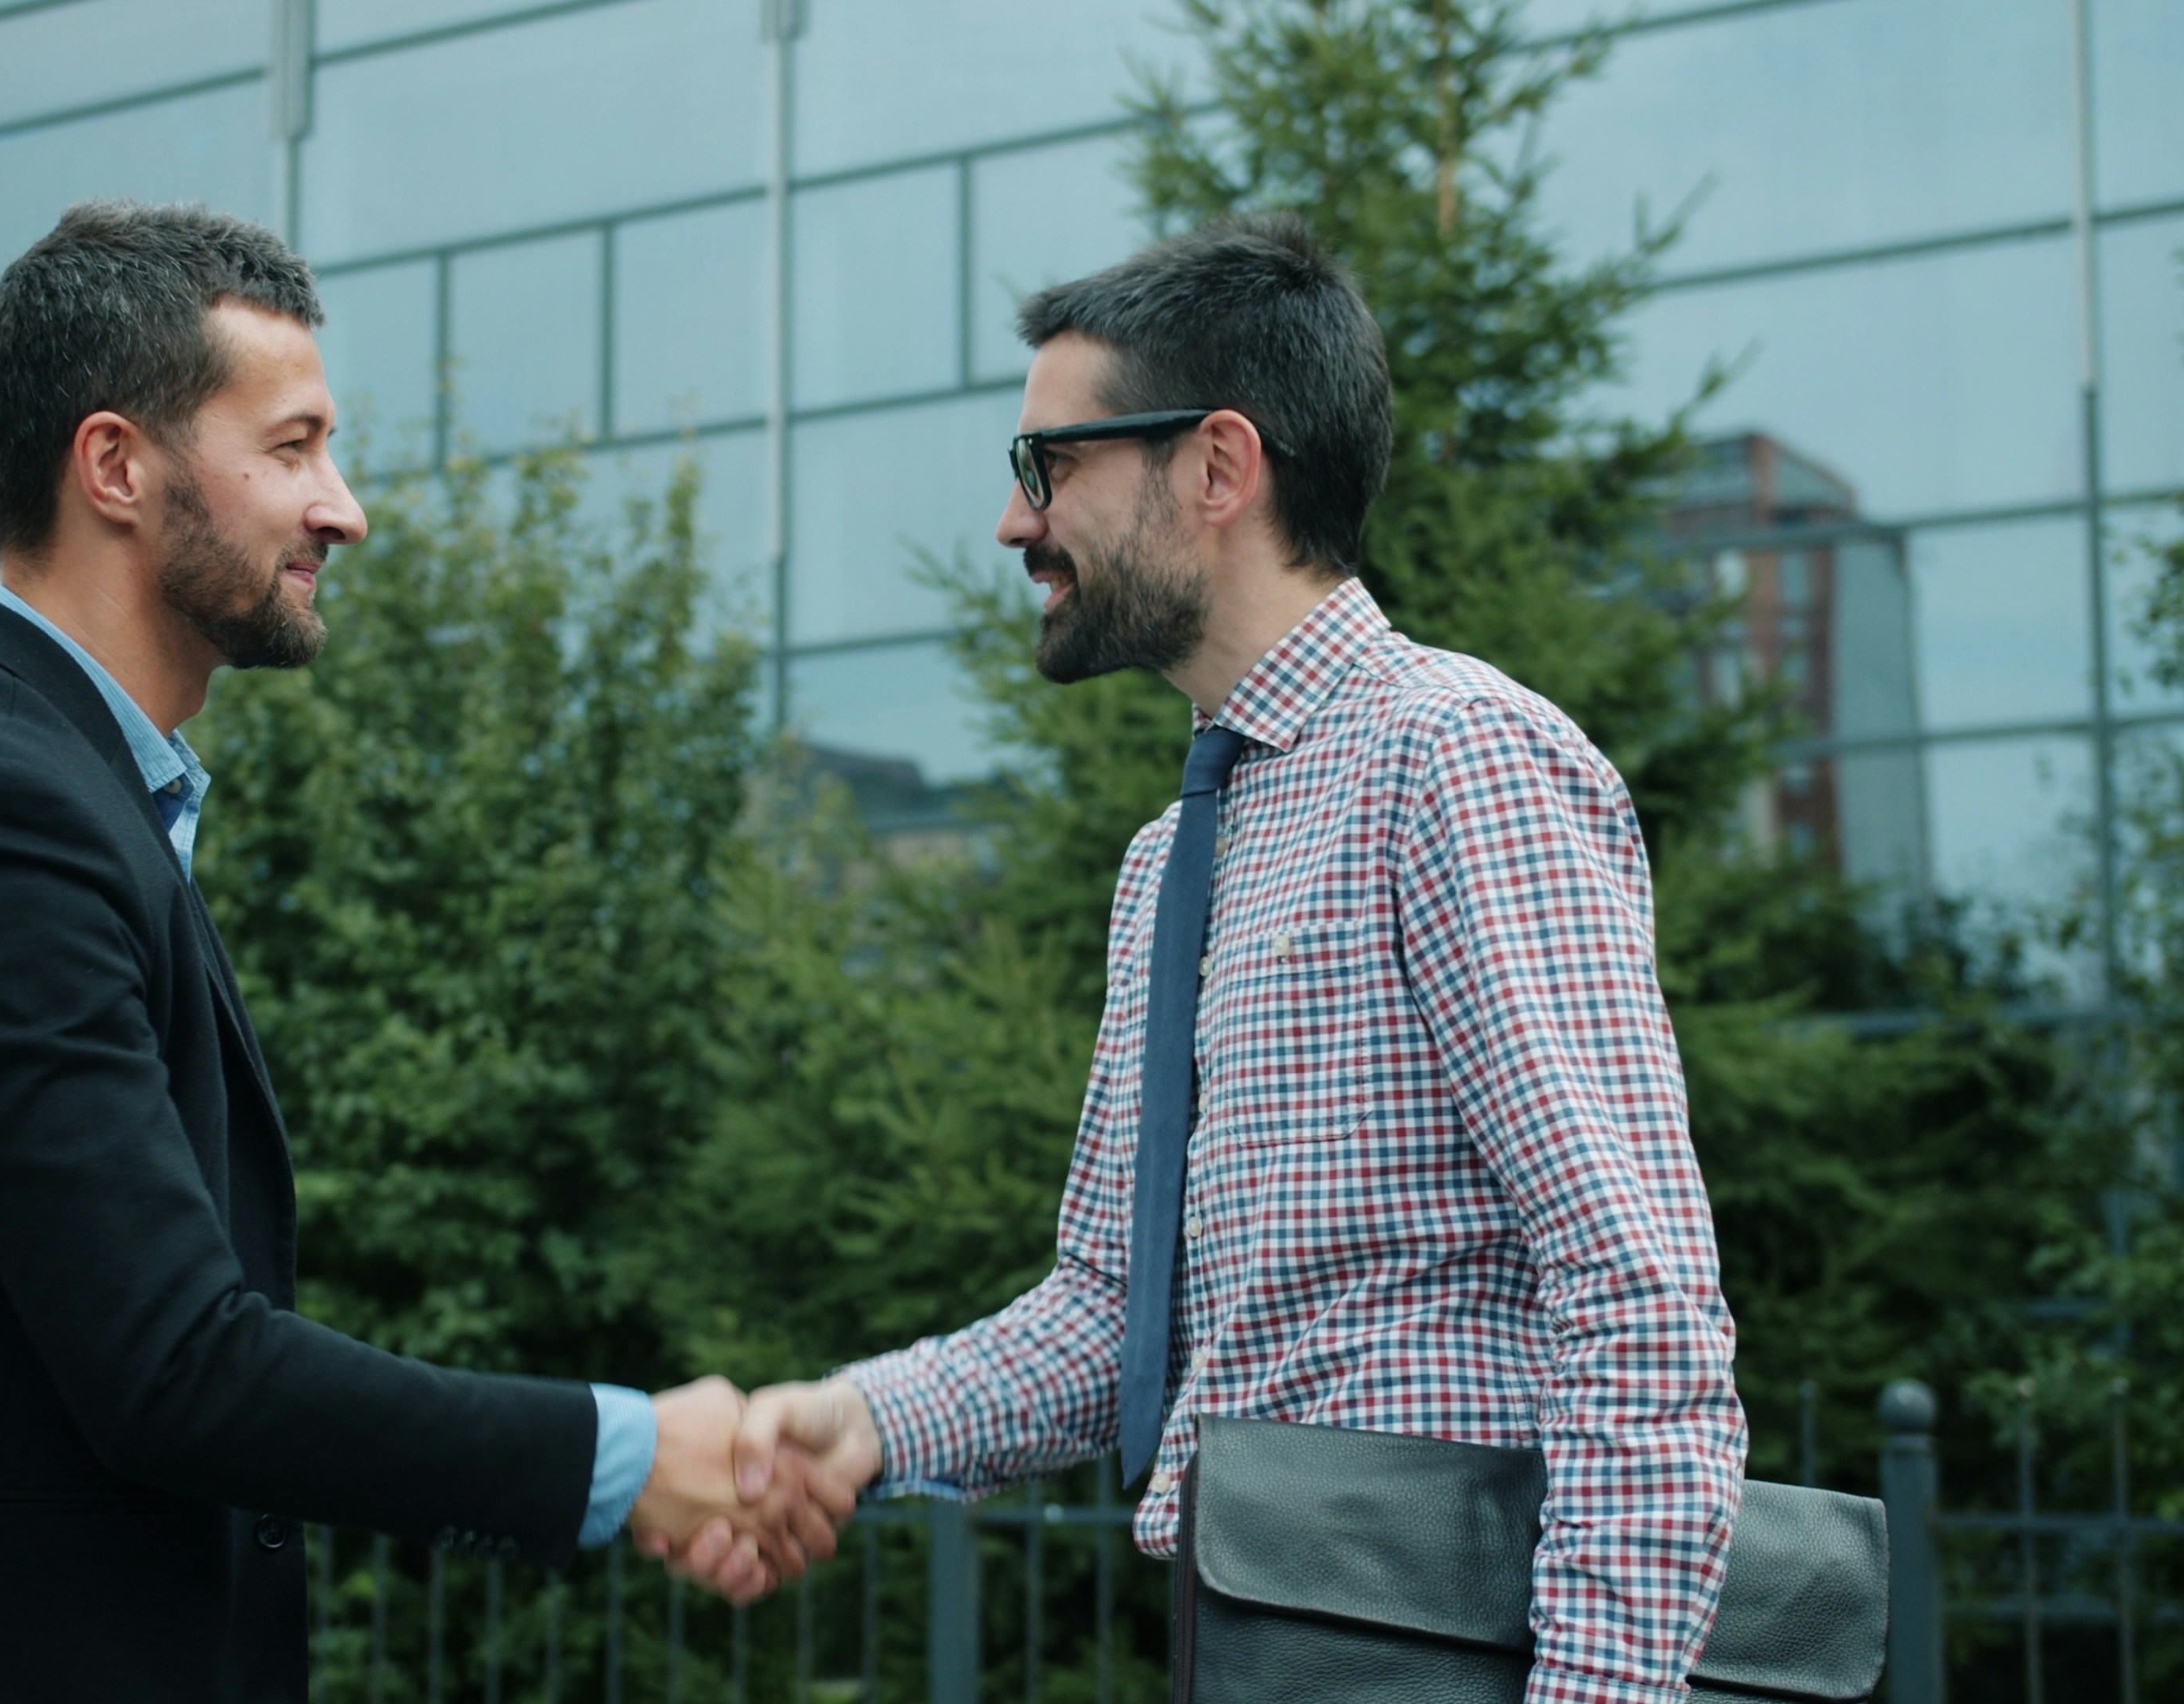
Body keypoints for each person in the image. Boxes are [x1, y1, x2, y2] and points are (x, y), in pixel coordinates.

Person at [0, 201, 831, 1704]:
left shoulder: (64, 792)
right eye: (292, 447)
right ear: (117, 467)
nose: (343, 507)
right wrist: (628, 1454)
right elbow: (173, 1367)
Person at [699, 214, 1748, 1703]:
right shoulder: (1172, 863)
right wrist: (864, 1424)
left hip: (1447, 1657)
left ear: (1216, 468)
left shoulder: (1460, 761)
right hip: (1260, 1644)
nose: (1015, 524)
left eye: (1047, 467)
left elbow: (1639, 1300)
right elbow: (1115, 1321)